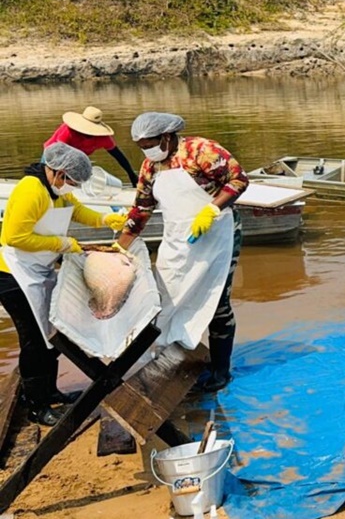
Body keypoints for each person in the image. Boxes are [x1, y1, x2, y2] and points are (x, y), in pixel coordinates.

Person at [116, 113, 247, 393]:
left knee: (217, 302)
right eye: (140, 146)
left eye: (148, 143)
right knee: (168, 300)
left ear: (166, 136)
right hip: (178, 239)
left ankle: (221, 371)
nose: (146, 150)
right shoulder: (151, 167)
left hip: (218, 233)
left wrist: (212, 210)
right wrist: (118, 248)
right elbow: (141, 209)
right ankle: (176, 360)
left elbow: (238, 180)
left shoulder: (202, 151)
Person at [0, 143, 127, 425]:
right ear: (58, 173)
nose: (73, 188)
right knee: (33, 340)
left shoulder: (57, 191)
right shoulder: (31, 190)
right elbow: (13, 238)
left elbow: (79, 211)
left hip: (39, 269)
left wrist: (107, 219)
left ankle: (50, 391)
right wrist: (64, 243)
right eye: (71, 182)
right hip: (13, 273)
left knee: (52, 335)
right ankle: (36, 405)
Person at [44, 106, 140, 186]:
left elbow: (118, 156)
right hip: (52, 156)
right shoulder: (68, 131)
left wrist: (131, 174)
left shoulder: (103, 138)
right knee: (49, 183)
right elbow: (58, 153)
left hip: (74, 161)